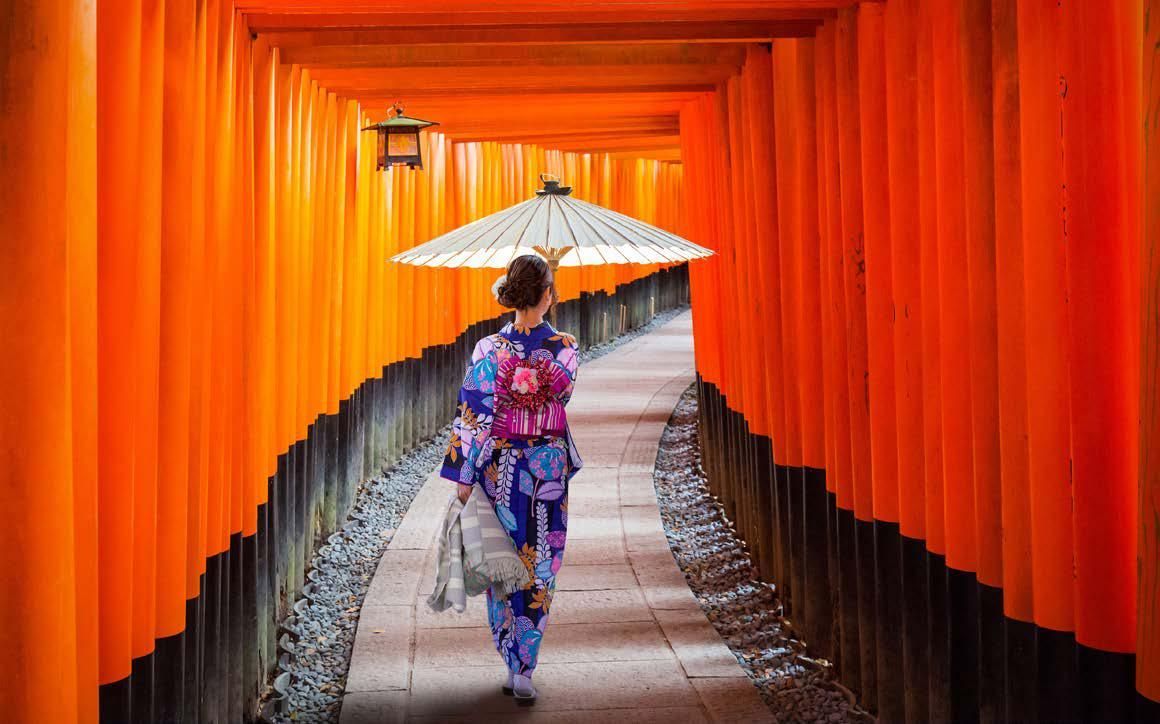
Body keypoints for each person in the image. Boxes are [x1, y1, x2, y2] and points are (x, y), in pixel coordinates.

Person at [438, 253, 583, 706]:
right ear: (547, 295)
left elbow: (472, 415)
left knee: (504, 559)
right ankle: (525, 665)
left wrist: (464, 475)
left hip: (500, 467)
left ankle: (510, 656)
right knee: (541, 562)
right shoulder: (564, 348)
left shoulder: (487, 349)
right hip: (546, 469)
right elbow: (563, 394)